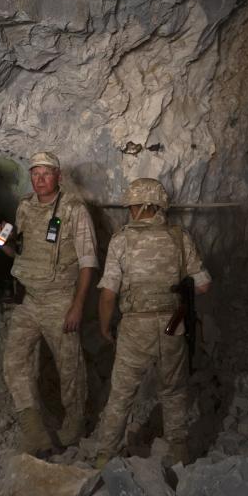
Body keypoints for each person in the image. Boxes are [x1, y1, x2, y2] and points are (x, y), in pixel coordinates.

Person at [93, 178, 211, 467]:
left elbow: (108, 294)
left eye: (131, 206)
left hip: (135, 328)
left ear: (140, 206)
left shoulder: (122, 239)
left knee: (121, 393)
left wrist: (105, 326)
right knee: (173, 390)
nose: (130, 211)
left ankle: (106, 456)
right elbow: (204, 285)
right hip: (173, 324)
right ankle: (179, 453)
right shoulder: (179, 236)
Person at [0, 152, 98, 455]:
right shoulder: (24, 207)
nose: (39, 180)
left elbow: (88, 263)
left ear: (58, 176)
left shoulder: (74, 209)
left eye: (46, 174)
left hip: (60, 300)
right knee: (14, 361)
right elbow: (18, 253)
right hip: (27, 299)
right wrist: (1, 242)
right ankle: (34, 429)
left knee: (69, 367)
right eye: (35, 174)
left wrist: (77, 305)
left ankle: (74, 425)